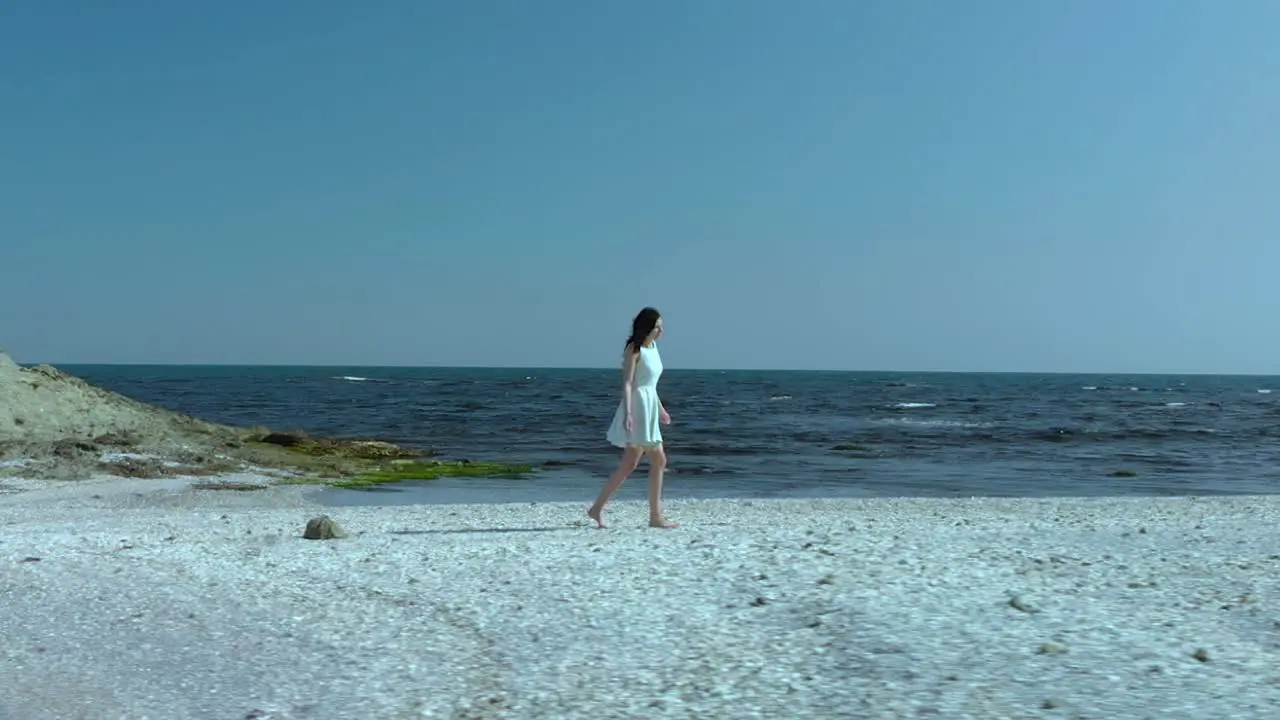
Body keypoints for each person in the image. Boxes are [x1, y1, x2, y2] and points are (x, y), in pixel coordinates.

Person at [588, 307, 677, 529]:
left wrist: (661, 409)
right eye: (657, 327)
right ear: (646, 328)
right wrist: (628, 413)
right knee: (657, 459)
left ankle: (597, 508)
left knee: (630, 464)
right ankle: (655, 517)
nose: (661, 331)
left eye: (661, 327)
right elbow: (629, 383)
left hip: (649, 406)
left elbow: (650, 385)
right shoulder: (634, 349)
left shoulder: (654, 348)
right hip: (637, 407)